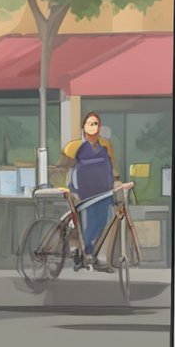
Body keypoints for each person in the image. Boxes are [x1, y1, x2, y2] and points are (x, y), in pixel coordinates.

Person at [65, 112, 116, 271]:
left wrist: (112, 186)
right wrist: (74, 190)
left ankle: (90, 255)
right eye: (90, 123)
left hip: (103, 194)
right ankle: (84, 255)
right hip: (85, 194)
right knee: (86, 226)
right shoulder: (77, 148)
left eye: (96, 123)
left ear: (100, 127)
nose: (93, 127)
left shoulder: (104, 148)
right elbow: (72, 170)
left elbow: (109, 169)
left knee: (101, 224)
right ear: (84, 127)